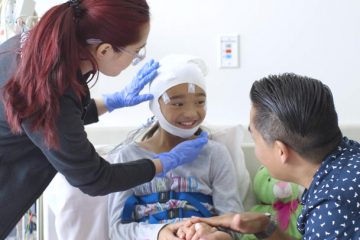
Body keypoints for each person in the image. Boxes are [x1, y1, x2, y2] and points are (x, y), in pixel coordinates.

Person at [0, 1, 208, 238]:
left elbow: (54, 120)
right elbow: (94, 178)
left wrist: (112, 102)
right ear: (105, 50)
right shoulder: (50, 84)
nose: (137, 59)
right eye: (137, 51)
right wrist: (165, 162)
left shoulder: (36, 47)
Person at [188, 73, 360, 240]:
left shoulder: (333, 209)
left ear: (281, 151)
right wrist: (266, 227)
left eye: (254, 138)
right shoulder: (349, 156)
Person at [107, 55, 244, 240]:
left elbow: (235, 224)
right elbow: (117, 230)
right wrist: (159, 234)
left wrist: (215, 235)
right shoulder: (128, 157)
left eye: (200, 102)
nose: (190, 113)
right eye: (177, 103)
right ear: (155, 105)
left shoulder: (215, 154)